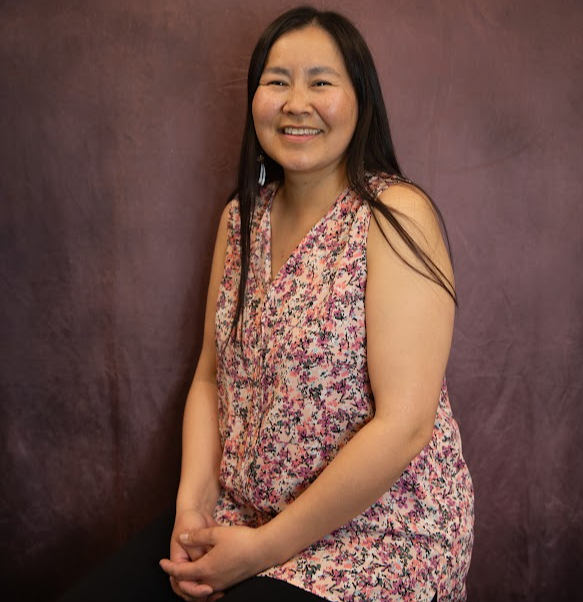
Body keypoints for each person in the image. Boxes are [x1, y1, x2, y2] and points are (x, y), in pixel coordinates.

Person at [59, 6, 473, 602]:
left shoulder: (395, 215)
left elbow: (405, 426)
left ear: (362, 102)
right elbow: (209, 377)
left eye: (321, 82)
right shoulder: (240, 220)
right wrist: (192, 509)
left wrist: (262, 550)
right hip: (244, 516)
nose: (295, 102)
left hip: (378, 538)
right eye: (276, 81)